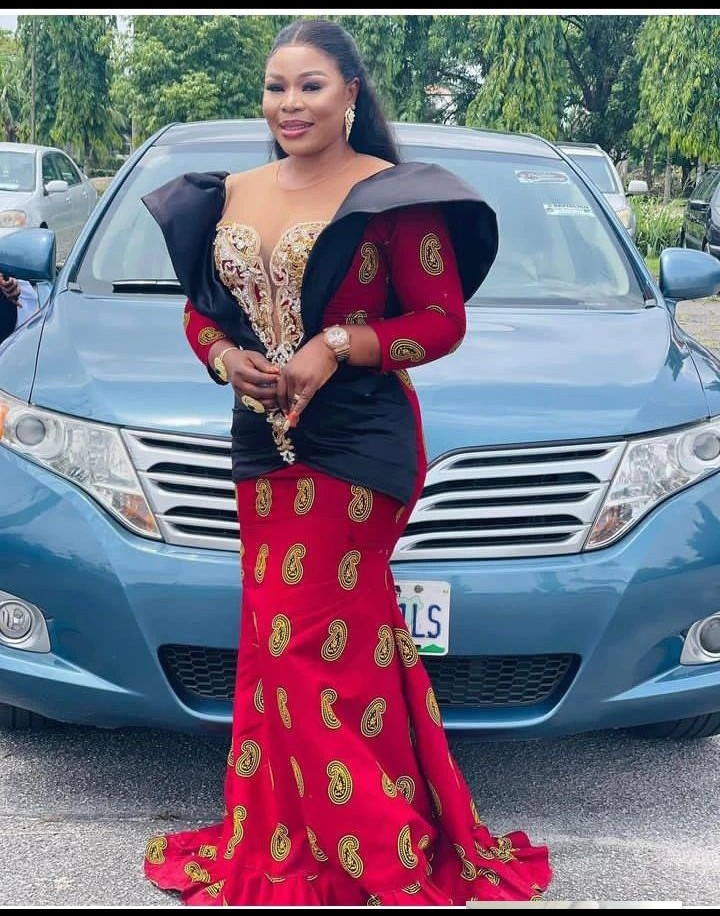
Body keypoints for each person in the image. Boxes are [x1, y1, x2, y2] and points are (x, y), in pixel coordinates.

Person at [141, 17, 552, 907]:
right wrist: (225, 358)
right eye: (276, 86)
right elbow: (202, 312)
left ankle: (378, 847)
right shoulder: (232, 193)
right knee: (289, 643)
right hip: (261, 444)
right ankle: (290, 835)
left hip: (359, 447)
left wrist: (336, 345)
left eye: (311, 85)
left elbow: (440, 322)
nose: (289, 104)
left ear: (351, 95)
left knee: (295, 644)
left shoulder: (393, 198)